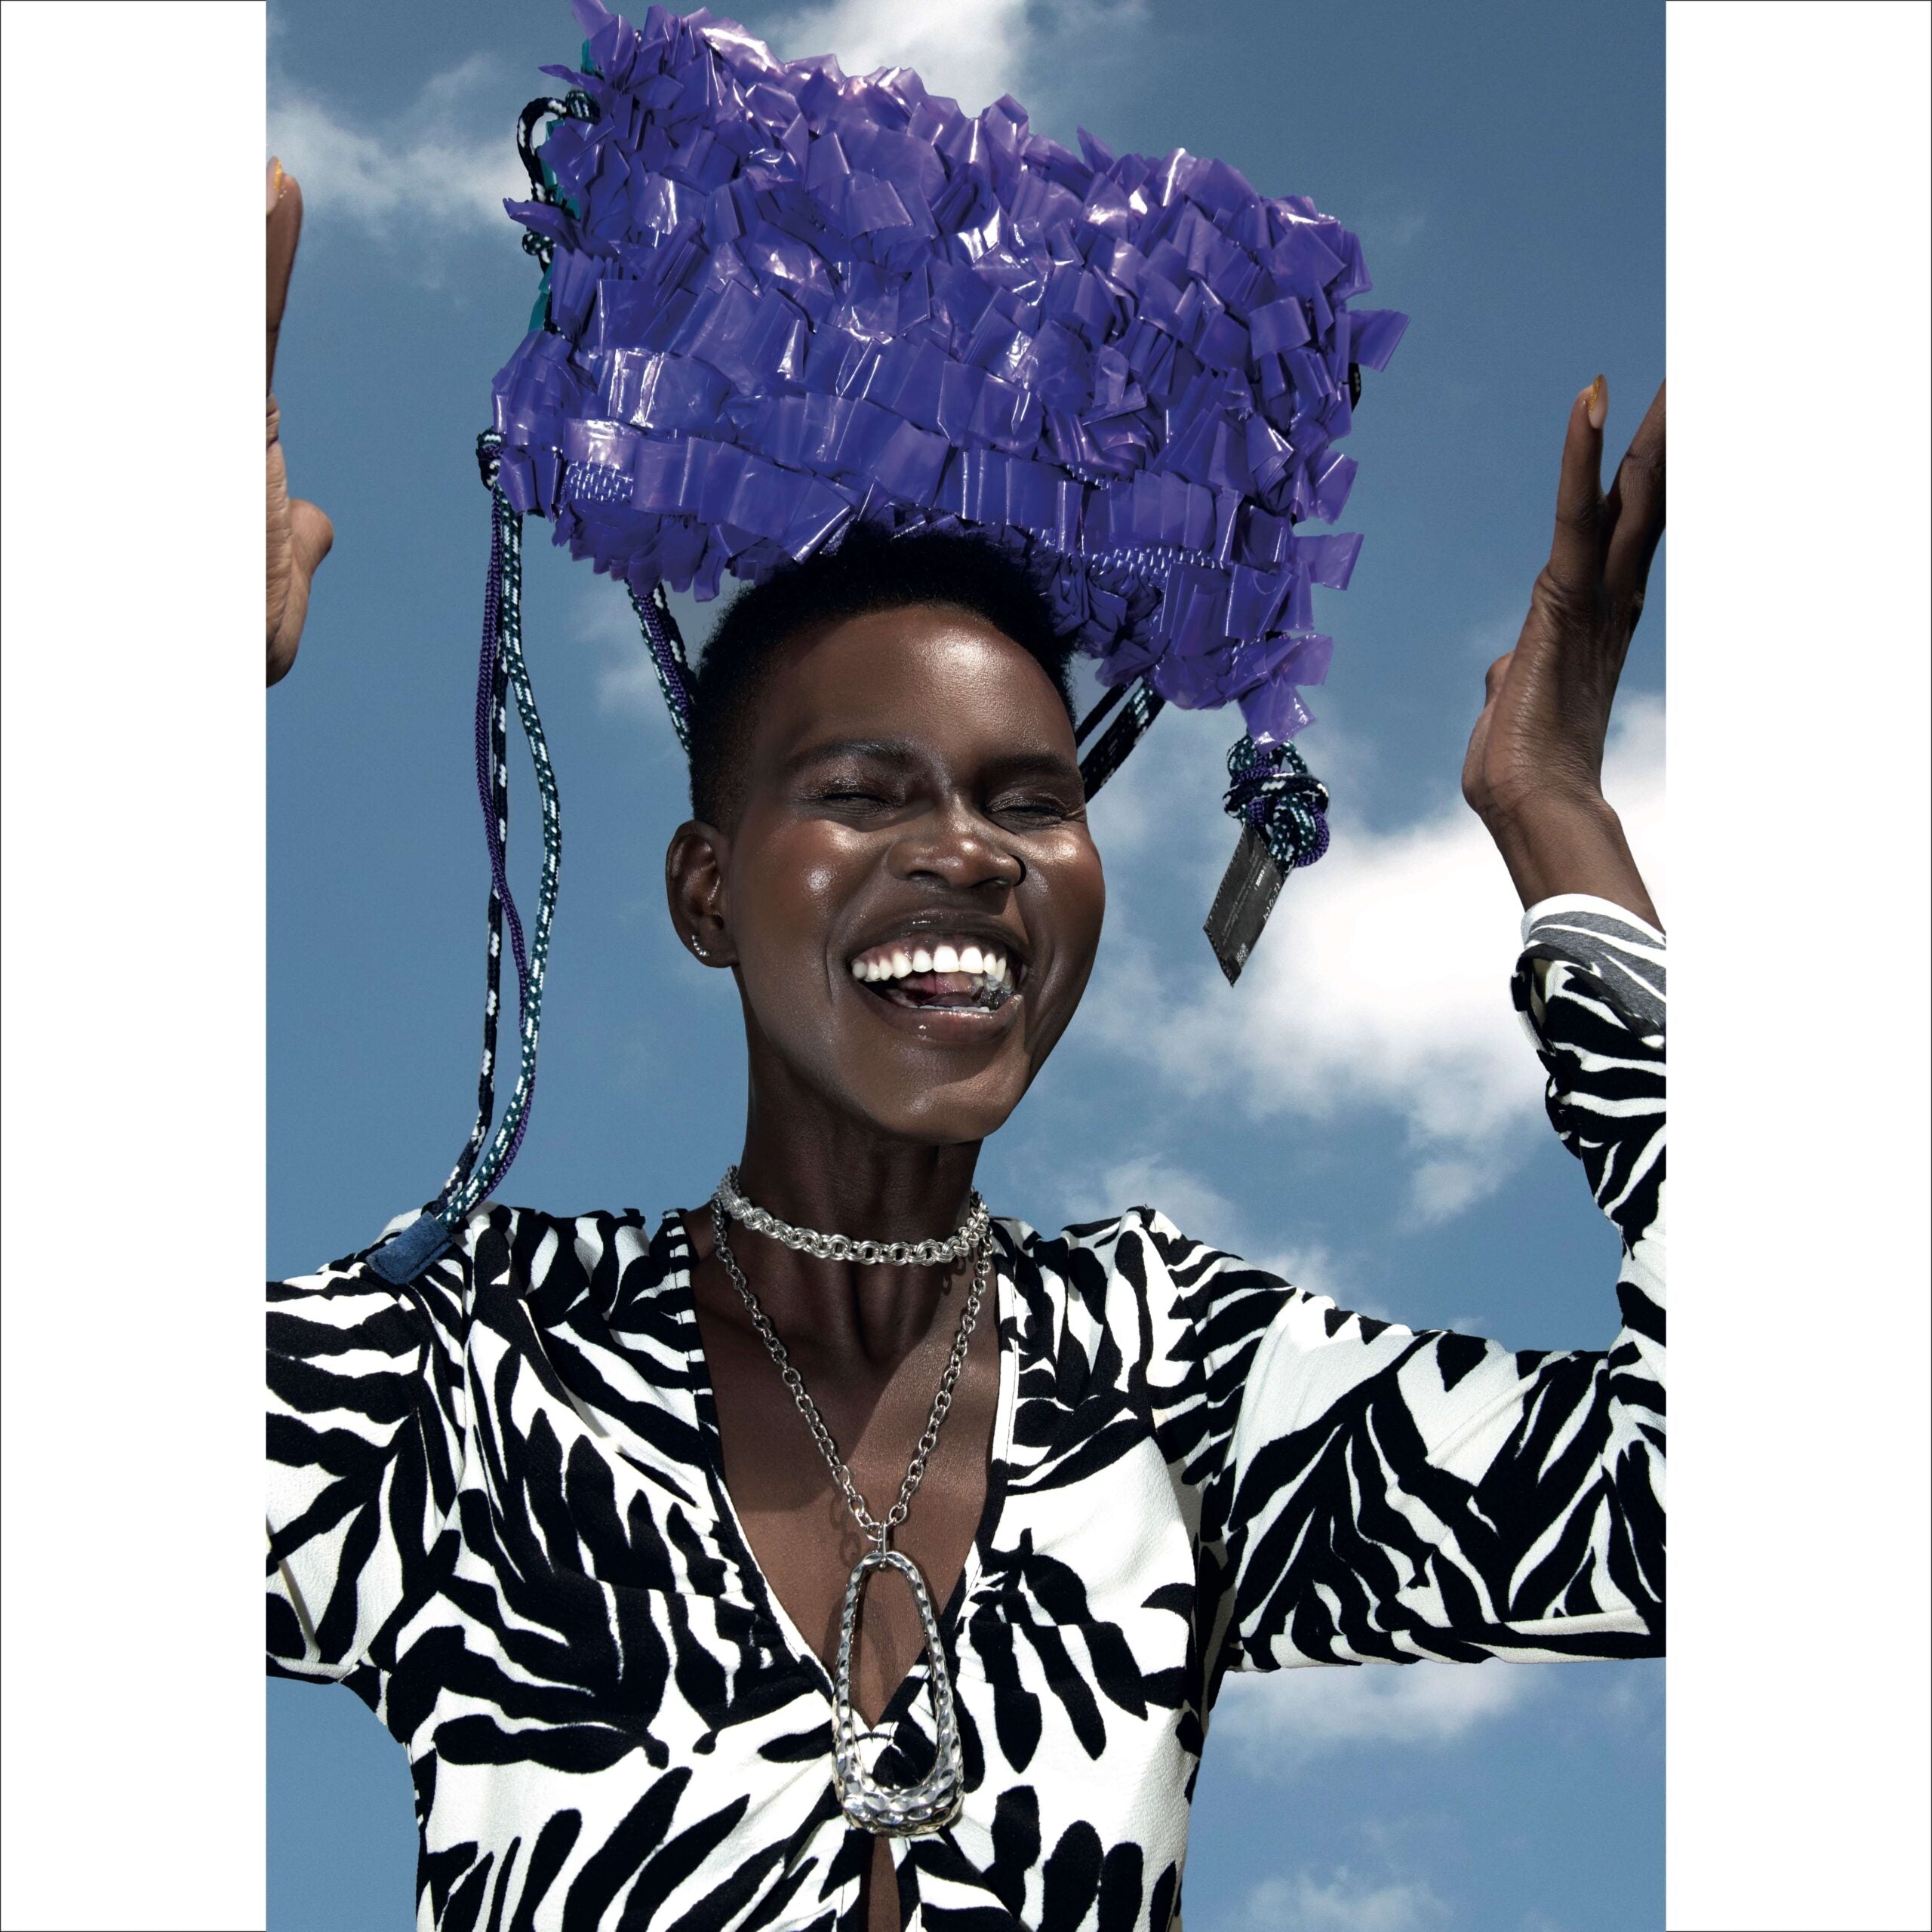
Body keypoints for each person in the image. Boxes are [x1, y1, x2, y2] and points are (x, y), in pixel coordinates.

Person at [266, 85, 1666, 1932]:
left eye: (1030, 800)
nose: (966, 852)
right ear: (705, 890)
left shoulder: (1171, 1370)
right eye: (863, 791)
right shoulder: (471, 1375)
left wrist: (1557, 822)